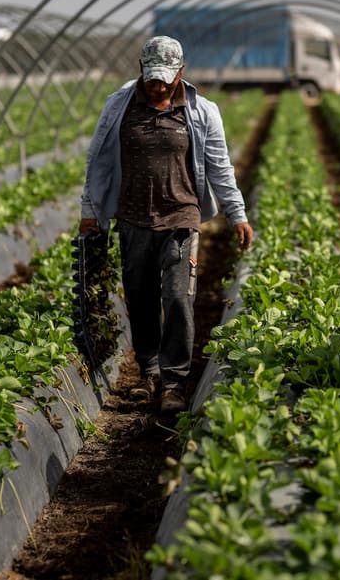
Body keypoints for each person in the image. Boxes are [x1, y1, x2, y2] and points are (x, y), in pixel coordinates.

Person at [79, 36, 254, 414]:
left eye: (164, 78)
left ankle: (174, 382)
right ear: (140, 70)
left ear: (180, 73)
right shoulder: (119, 107)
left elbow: (221, 166)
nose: (157, 86)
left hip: (181, 217)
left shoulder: (201, 111)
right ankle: (149, 371)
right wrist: (90, 209)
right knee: (140, 297)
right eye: (151, 77)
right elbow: (99, 163)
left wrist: (236, 213)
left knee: (177, 298)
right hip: (132, 217)